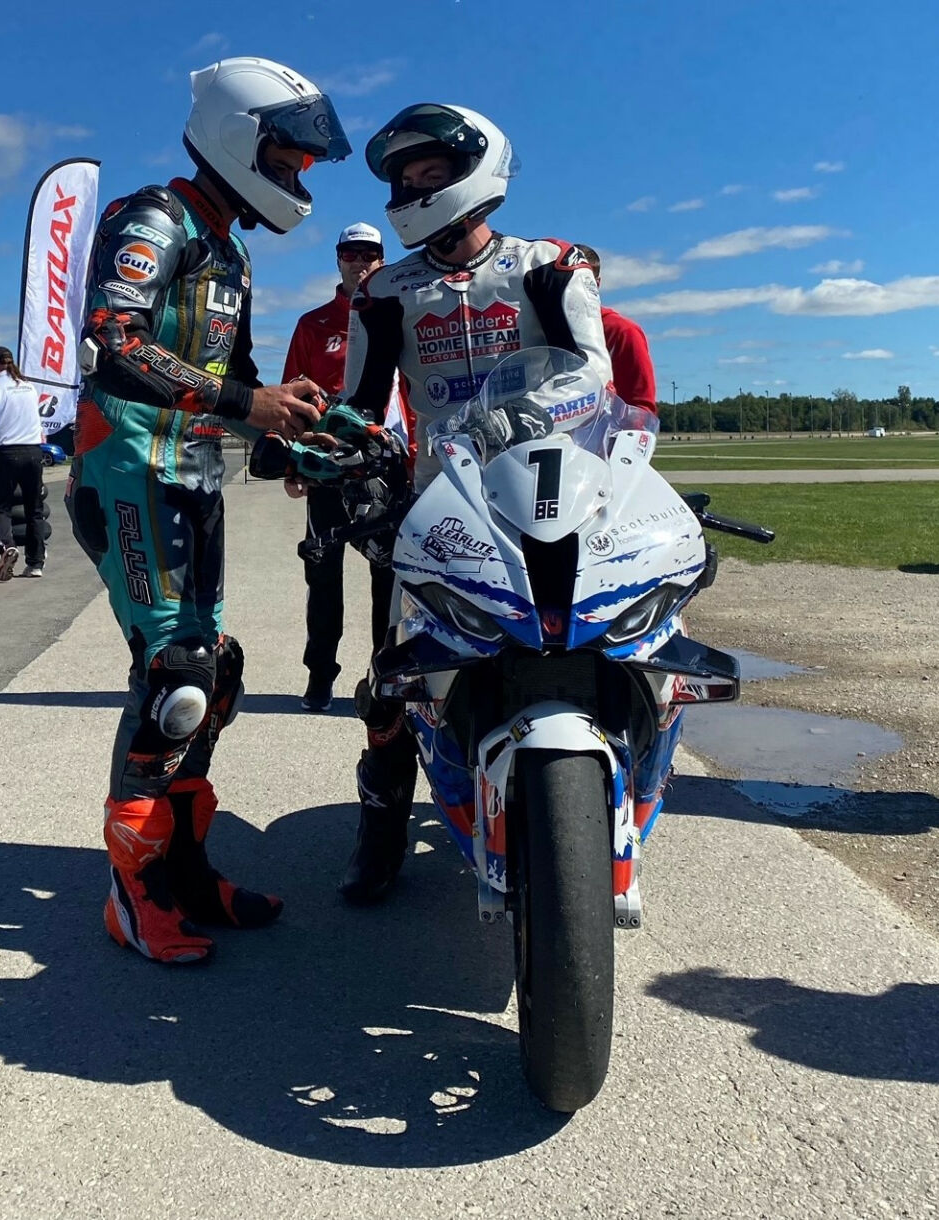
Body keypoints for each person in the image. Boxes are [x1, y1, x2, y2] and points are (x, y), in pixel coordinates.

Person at [69, 56, 347, 964]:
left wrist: (288, 414)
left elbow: (237, 382)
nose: (299, 176)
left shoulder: (228, 244)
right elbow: (113, 342)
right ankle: (132, 891)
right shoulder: (156, 216)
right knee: (174, 672)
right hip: (126, 466)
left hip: (190, 469)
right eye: (290, 157)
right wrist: (243, 406)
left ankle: (186, 872)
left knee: (212, 673)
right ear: (242, 139)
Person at [330, 102, 614, 902]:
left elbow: (594, 372)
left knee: (594, 632)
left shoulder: (547, 265)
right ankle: (379, 830)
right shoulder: (385, 291)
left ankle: (606, 774)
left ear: (476, 174)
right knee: (395, 672)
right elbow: (361, 398)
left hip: (552, 487)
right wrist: (332, 443)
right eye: (407, 179)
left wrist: (527, 414)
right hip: (437, 504)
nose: (418, 189)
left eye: (433, 174)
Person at [284, 222, 388, 712]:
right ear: (338, 258)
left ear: (382, 258)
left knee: (388, 578)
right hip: (327, 468)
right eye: (351, 253)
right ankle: (320, 674)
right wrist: (295, 460)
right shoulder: (313, 323)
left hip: (383, 468)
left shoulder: (395, 313)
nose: (360, 261)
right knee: (323, 574)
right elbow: (288, 396)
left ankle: (385, 678)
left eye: (369, 253)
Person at [0, 346, 49, 580]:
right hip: (33, 452)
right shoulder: (29, 387)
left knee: (0, 506)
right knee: (34, 509)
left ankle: (7, 546)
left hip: (6, 453)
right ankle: (35, 563)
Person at [573, 242, 659, 411]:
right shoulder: (534, 330)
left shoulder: (622, 332)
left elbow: (641, 407)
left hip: (605, 435)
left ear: (596, 284)